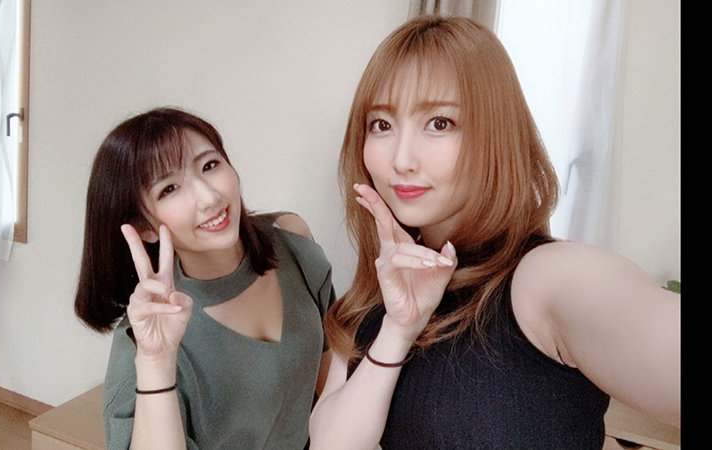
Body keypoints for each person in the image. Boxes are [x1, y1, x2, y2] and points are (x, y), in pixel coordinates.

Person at [308, 15, 680, 449]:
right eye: (382, 125)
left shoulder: (544, 279)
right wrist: (398, 328)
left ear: (496, 133)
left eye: (440, 123)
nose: (401, 159)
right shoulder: (371, 304)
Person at [74, 106, 335, 449]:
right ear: (144, 228)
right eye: (170, 188)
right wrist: (156, 361)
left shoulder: (292, 241)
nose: (210, 198)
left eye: (210, 165)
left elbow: (331, 387)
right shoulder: (145, 339)